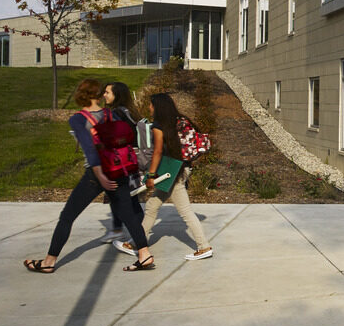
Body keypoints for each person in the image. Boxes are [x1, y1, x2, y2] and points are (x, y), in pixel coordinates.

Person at [23, 78, 155, 274]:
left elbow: (90, 150)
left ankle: (49, 262)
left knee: (67, 217)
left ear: (81, 95)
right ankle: (144, 255)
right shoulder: (112, 114)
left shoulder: (78, 118)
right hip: (119, 171)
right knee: (128, 215)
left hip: (97, 175)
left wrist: (100, 175)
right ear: (99, 95)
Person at [114, 92, 212, 261]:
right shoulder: (180, 120)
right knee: (152, 206)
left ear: (158, 107)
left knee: (185, 211)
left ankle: (204, 247)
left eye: (151, 105)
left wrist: (151, 175)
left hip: (171, 173)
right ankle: (135, 243)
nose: (150, 108)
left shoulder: (160, 126)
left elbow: (158, 152)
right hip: (180, 168)